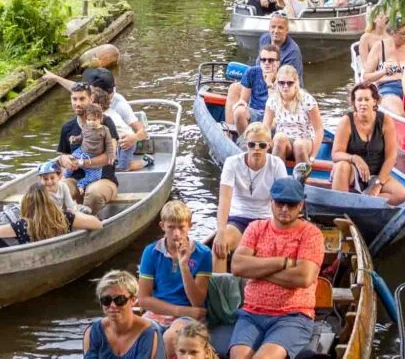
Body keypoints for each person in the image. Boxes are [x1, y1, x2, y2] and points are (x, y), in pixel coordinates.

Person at [228, 177, 325, 359]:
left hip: (293, 316)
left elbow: (303, 278)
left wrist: (257, 269)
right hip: (251, 313)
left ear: (301, 205)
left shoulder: (311, 234)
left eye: (291, 204)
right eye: (280, 203)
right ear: (271, 202)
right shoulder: (255, 227)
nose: (285, 209)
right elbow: (237, 266)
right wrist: (283, 262)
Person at [138, 201, 213, 357]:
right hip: (161, 311)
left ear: (190, 226)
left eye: (181, 227)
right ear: (162, 226)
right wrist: (179, 310)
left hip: (188, 316)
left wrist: (184, 266)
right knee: (140, 334)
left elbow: (198, 302)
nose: (176, 234)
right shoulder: (151, 252)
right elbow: (144, 300)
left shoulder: (203, 253)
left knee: (171, 337)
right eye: (171, 227)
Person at [212, 123, 288, 272]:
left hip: (265, 220)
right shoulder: (232, 163)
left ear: (269, 145)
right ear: (246, 144)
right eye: (252, 144)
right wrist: (220, 232)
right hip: (238, 219)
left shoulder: (277, 164)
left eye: (262, 145)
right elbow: (225, 199)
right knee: (218, 248)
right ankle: (219, 294)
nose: (257, 149)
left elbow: (281, 200)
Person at [44, 67, 150, 168]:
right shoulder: (91, 96)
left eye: (89, 90)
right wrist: (55, 78)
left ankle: (142, 162)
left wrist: (134, 138)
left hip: (119, 144)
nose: (78, 102)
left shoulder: (119, 106)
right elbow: (74, 87)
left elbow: (143, 132)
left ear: (95, 95)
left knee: (120, 165)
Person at [331, 83, 405, 205]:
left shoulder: (386, 121)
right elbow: (336, 154)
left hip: (375, 174)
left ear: (375, 101)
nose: (363, 103)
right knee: (341, 165)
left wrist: (378, 184)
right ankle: (339, 205)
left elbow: (391, 157)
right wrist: (355, 158)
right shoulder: (346, 121)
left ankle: (357, 203)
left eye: (367, 99)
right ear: (354, 103)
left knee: (401, 194)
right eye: (359, 100)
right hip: (352, 173)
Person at [57, 83, 121, 214]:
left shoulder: (105, 123)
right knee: (58, 190)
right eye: (74, 99)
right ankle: (63, 224)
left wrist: (82, 163)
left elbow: (110, 156)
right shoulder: (67, 127)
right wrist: (65, 160)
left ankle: (87, 224)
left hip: (103, 179)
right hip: (75, 179)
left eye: (82, 99)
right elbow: (62, 157)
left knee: (93, 194)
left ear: (91, 99)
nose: (77, 103)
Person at [0, 183, 101, 249]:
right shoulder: (64, 218)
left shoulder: (22, 226)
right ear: (50, 202)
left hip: (31, 256)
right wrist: (75, 213)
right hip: (59, 249)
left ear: (26, 204)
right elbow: (97, 223)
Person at [83, 270, 165, 359]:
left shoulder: (148, 334)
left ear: (133, 299)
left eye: (120, 300)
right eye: (106, 300)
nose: (112, 305)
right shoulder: (93, 332)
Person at [265, 65, 324, 176]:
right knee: (278, 137)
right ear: (277, 83)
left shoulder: (307, 100)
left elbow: (319, 130)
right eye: (281, 83)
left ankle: (302, 180)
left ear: (296, 83)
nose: (285, 86)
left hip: (304, 141)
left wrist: (312, 157)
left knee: (298, 145)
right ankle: (277, 178)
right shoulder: (272, 100)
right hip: (283, 143)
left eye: (289, 83)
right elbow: (265, 128)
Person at [361, 19, 405, 114]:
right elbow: (366, 77)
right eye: (403, 34)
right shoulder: (379, 47)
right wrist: (383, 72)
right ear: (392, 33)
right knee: (399, 114)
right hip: (389, 88)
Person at [226, 45, 280, 136]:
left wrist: (269, 83)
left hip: (275, 116)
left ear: (278, 63)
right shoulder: (252, 72)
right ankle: (244, 142)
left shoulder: (283, 78)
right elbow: (244, 100)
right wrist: (239, 105)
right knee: (239, 111)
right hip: (255, 111)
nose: (266, 63)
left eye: (271, 60)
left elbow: (276, 107)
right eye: (263, 60)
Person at [66, 103, 119, 191]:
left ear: (100, 119)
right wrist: (75, 139)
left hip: (94, 156)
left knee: (95, 176)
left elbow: (109, 144)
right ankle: (65, 176)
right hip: (81, 152)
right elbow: (81, 137)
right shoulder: (86, 127)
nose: (91, 122)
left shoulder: (104, 130)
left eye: (94, 120)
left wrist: (111, 155)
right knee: (70, 161)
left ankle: (81, 184)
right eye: (89, 120)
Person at [258, 13, 304, 82]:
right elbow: (258, 63)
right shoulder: (264, 39)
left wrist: (269, 79)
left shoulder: (293, 52)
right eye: (273, 27)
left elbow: (288, 81)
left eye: (280, 27)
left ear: (287, 30)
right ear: (269, 28)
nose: (276, 31)